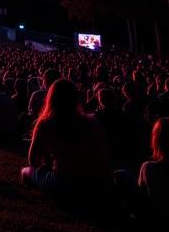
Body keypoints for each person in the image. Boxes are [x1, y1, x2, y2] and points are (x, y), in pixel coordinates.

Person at [21, 79, 115, 207]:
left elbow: (32, 159)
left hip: (66, 185)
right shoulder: (92, 122)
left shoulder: (45, 123)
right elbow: (105, 154)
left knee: (26, 171)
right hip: (98, 184)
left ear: (51, 98)